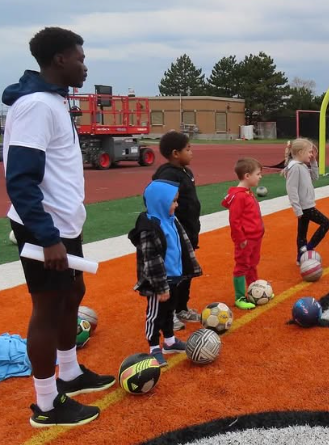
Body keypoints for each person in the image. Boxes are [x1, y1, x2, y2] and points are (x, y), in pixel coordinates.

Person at [2, 27, 114, 428]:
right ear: (59, 59)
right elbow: (20, 179)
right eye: (80, 58)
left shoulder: (53, 100)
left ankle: (70, 372)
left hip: (63, 224)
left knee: (72, 295)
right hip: (44, 229)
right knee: (47, 309)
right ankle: (47, 404)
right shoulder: (36, 106)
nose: (85, 66)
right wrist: (47, 237)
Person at [128, 180, 201, 366]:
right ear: (160, 202)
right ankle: (154, 347)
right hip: (158, 282)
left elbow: (180, 246)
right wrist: (160, 287)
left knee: (169, 311)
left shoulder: (171, 220)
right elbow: (151, 260)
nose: (176, 205)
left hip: (173, 277)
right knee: (155, 315)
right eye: (173, 201)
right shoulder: (149, 227)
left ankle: (169, 341)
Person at [151, 130, 201, 330]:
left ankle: (181, 307)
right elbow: (159, 202)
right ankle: (168, 313)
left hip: (189, 232)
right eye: (188, 149)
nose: (192, 152)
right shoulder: (167, 175)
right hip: (174, 234)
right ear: (175, 153)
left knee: (187, 272)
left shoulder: (186, 172)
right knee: (173, 274)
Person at [221, 158, 265, 310]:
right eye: (258, 174)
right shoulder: (239, 196)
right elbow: (234, 221)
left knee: (252, 264)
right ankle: (239, 297)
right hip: (246, 239)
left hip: (255, 237)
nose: (260, 176)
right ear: (247, 176)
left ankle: (255, 291)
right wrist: (240, 239)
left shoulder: (247, 192)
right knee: (242, 265)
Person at [284, 138, 329, 261]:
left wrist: (314, 162)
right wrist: (297, 209)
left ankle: (300, 256)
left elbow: (315, 177)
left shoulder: (302, 166)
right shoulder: (295, 168)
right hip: (305, 207)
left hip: (306, 206)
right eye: (309, 152)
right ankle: (308, 248)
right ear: (300, 152)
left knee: (302, 233)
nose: (311, 154)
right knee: (326, 223)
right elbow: (291, 190)